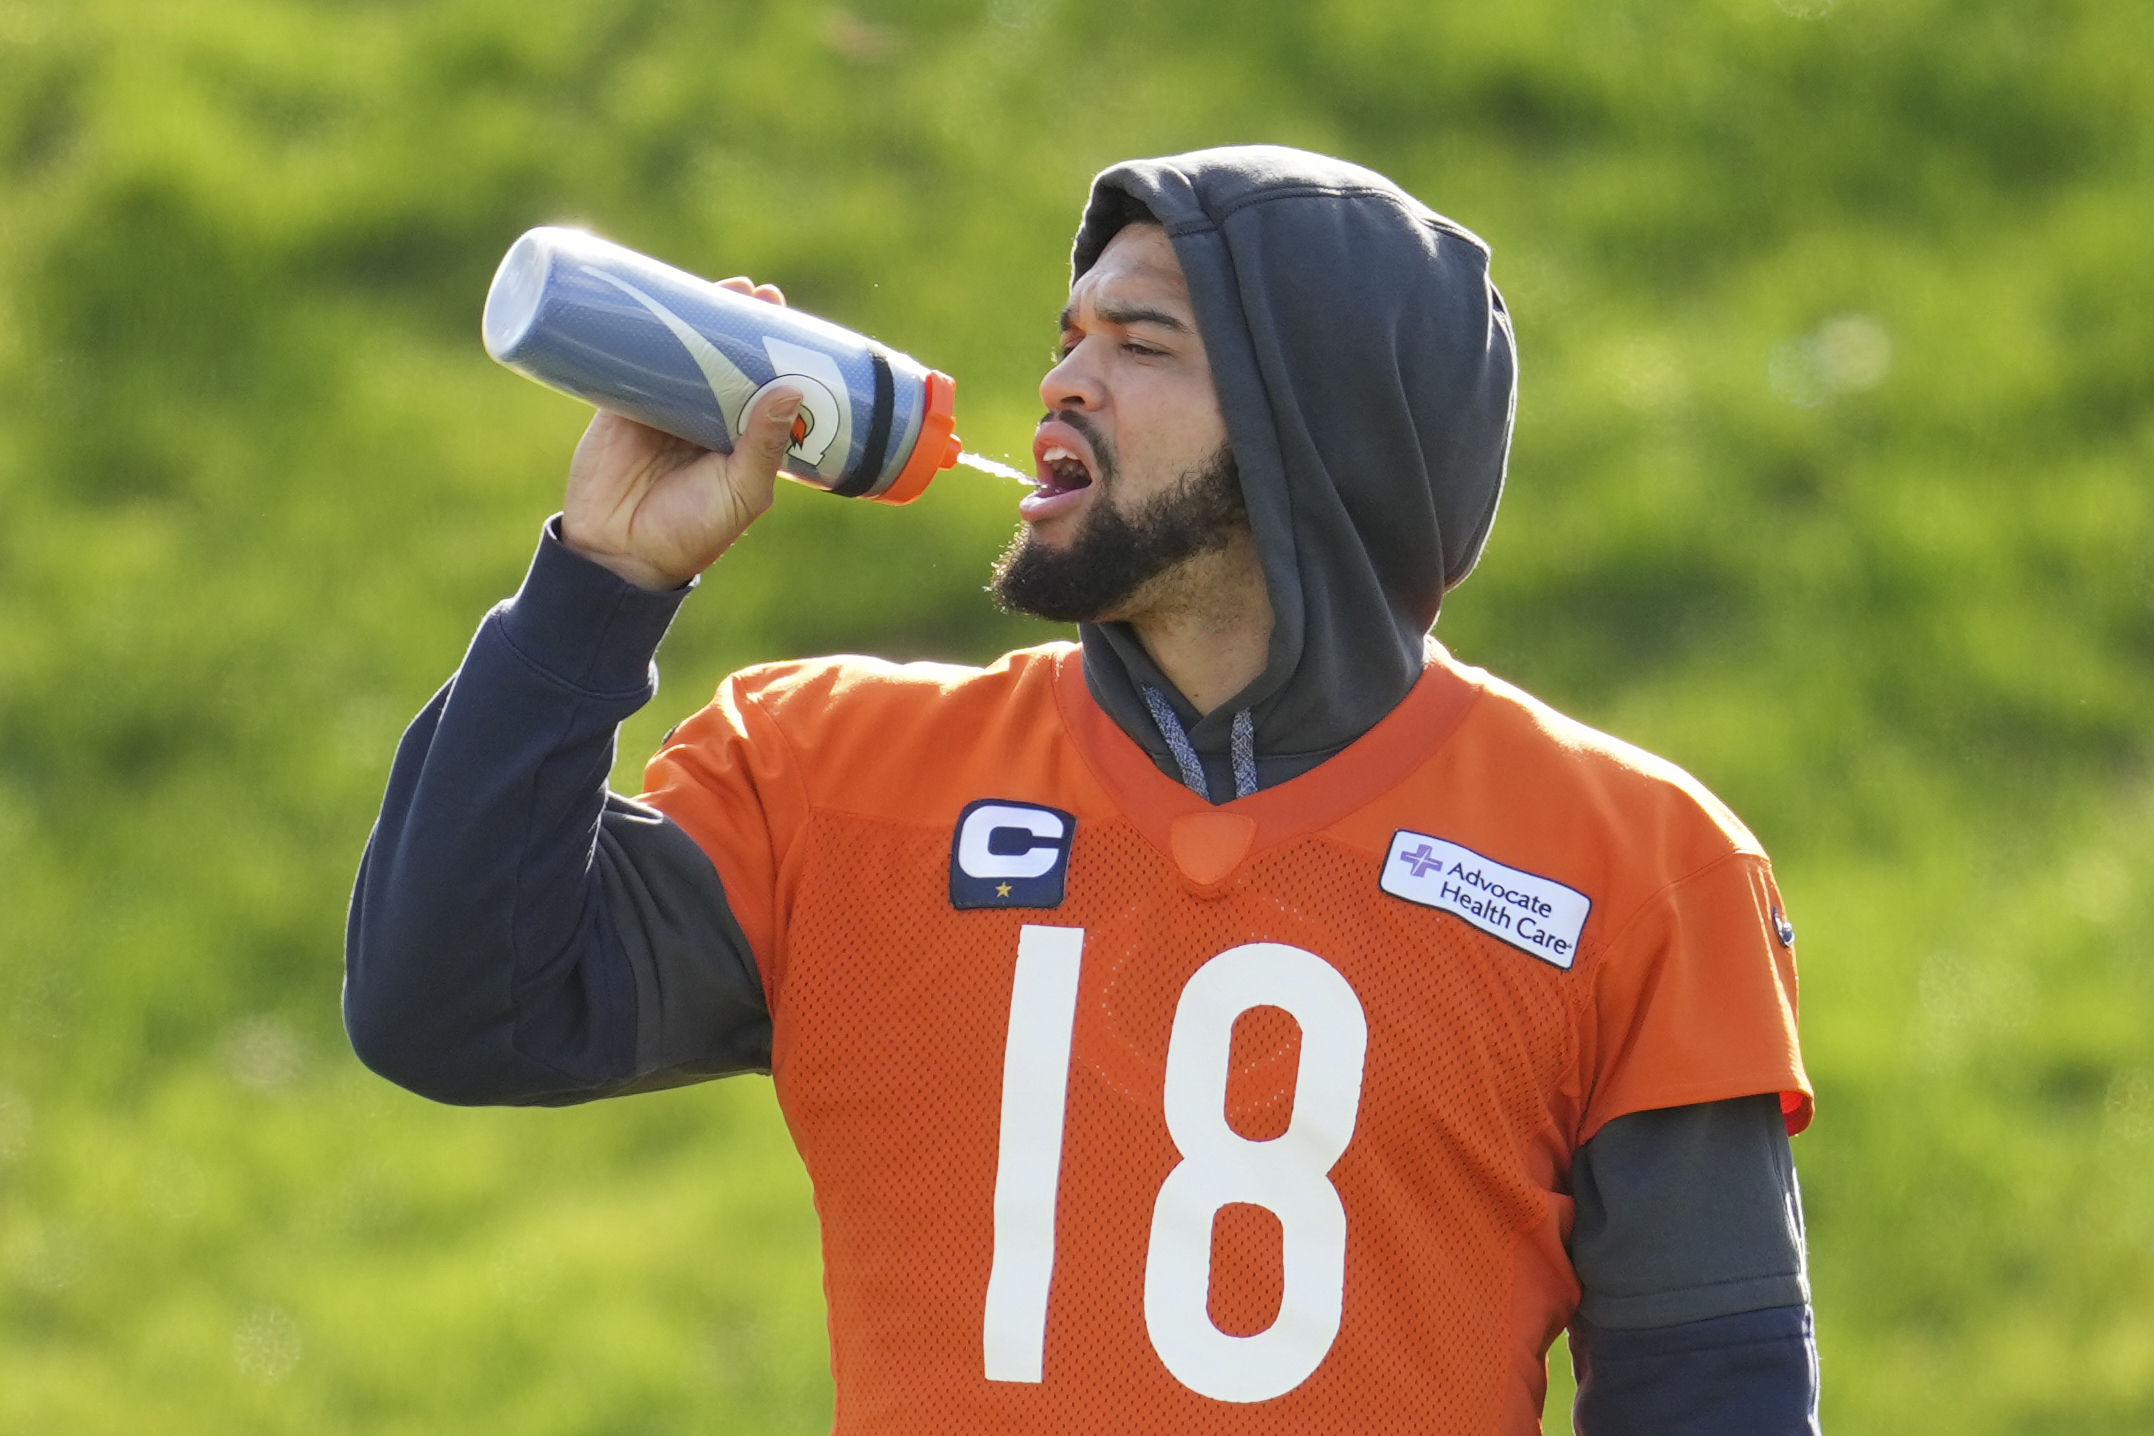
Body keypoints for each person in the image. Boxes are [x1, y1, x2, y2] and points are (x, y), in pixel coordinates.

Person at [346, 145, 1818, 1434]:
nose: (1061, 379)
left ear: (1315, 431)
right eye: (1067, 335)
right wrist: (600, 582)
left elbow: (1714, 1398)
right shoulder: (831, 777)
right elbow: (457, 1007)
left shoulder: (1638, 865)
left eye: (1144, 343)